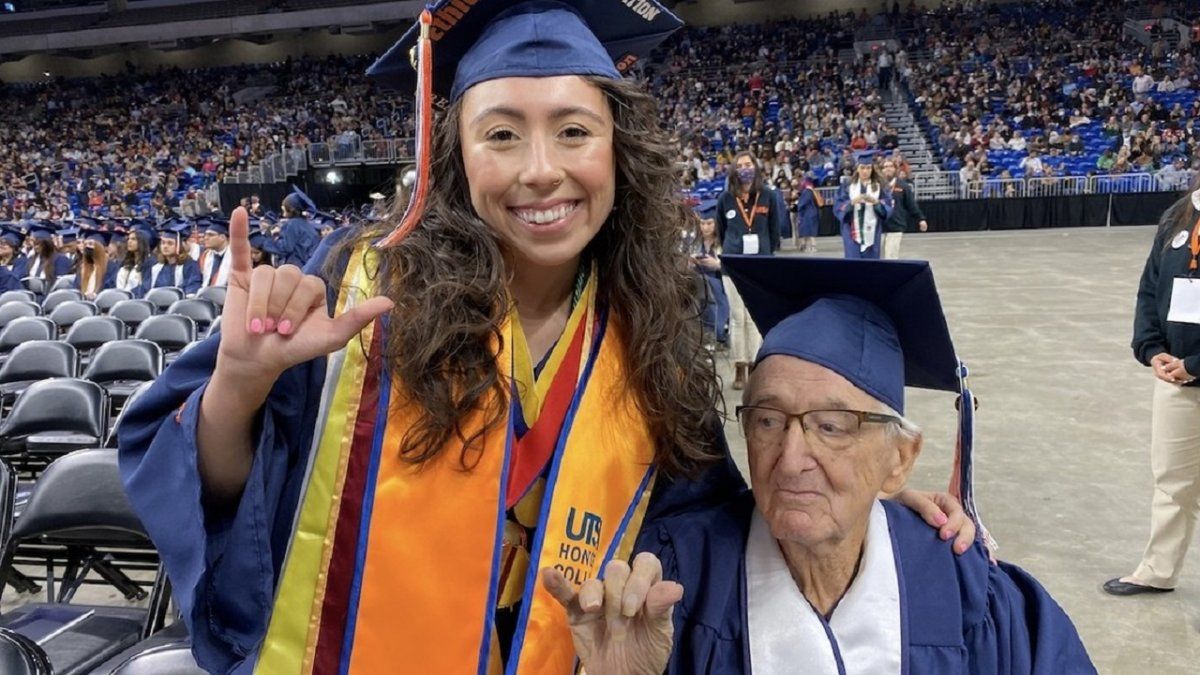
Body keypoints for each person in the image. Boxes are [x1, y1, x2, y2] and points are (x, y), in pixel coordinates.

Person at [119, 4, 970, 673]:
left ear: (618, 151)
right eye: (501, 133)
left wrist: (848, 494)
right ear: (454, 153)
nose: (539, 170)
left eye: (573, 130)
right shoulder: (357, 284)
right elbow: (222, 494)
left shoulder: (650, 331)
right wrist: (239, 384)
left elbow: (706, 527)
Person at [551, 256, 1095, 673]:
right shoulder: (673, 582)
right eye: (767, 421)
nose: (791, 460)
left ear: (899, 460)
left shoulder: (967, 591)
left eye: (832, 427)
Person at [1105, 181, 1200, 596]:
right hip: (1177, 378)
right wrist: (1151, 347)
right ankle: (1157, 571)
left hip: (1191, 368)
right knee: (1172, 479)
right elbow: (1150, 286)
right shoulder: (1179, 214)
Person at [715, 151, 785, 389]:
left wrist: (768, 254)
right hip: (733, 265)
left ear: (755, 167)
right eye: (740, 165)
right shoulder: (726, 198)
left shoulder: (768, 196)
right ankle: (739, 366)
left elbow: (775, 230)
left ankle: (756, 365)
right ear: (734, 170)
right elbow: (721, 230)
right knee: (737, 318)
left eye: (748, 164)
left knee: (754, 318)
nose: (744, 168)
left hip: (759, 265)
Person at [834, 154, 893, 259]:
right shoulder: (848, 186)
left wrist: (876, 203)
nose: (865, 171)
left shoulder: (880, 186)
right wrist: (852, 203)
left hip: (872, 229)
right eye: (862, 168)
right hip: (851, 230)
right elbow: (839, 205)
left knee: (871, 263)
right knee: (853, 262)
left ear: (872, 169)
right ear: (857, 168)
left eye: (868, 168)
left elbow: (887, 205)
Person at [689, 200, 728, 350]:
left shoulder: (724, 242)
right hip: (697, 284)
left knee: (709, 285)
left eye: (709, 223)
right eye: (702, 223)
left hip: (719, 284)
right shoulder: (693, 242)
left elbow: (732, 268)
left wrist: (718, 265)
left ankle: (717, 331)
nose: (705, 228)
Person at [134, 222, 201, 298]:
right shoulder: (155, 267)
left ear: (179, 246)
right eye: (163, 243)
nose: (165, 246)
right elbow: (144, 289)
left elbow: (192, 288)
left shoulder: (190, 265)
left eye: (170, 243)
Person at [881, 156, 928, 259]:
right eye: (885, 167)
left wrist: (921, 219)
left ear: (895, 169)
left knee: (891, 258)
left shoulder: (903, 186)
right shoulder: (877, 186)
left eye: (890, 166)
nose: (887, 169)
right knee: (877, 259)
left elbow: (911, 205)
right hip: (879, 227)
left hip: (895, 226)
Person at [262, 187, 320, 267]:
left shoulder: (292, 224)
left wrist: (272, 238)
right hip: (307, 264)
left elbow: (286, 247)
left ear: (291, 209)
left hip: (295, 264)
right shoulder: (307, 224)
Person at [73, 229, 117, 299]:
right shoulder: (82, 267)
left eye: (90, 244)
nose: (87, 247)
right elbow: (75, 287)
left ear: (100, 247)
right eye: (85, 244)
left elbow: (111, 289)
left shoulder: (111, 267)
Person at [115, 226, 153, 294]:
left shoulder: (149, 264)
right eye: (129, 239)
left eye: (133, 239)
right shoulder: (125, 263)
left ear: (142, 242)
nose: (129, 241)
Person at [198, 217, 233, 288]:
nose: (206, 238)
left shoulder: (234, 257)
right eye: (205, 235)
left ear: (222, 237)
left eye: (211, 235)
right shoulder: (205, 255)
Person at [794, 174, 822, 253]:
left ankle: (812, 246)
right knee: (809, 231)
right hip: (813, 212)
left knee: (808, 231)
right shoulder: (813, 190)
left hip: (807, 213)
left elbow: (803, 203)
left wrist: (798, 205)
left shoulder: (807, 191)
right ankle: (805, 246)